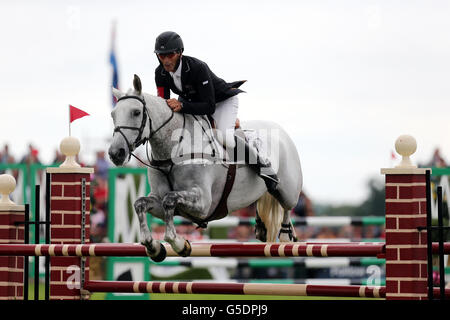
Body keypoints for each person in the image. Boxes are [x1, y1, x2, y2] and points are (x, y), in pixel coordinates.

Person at [153, 31, 279, 193]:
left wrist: (182, 107)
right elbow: (164, 103)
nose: (166, 60)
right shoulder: (160, 73)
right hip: (192, 102)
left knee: (224, 137)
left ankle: (265, 168)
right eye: (161, 56)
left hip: (220, 102)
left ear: (179, 53)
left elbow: (209, 106)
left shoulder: (198, 68)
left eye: (169, 55)